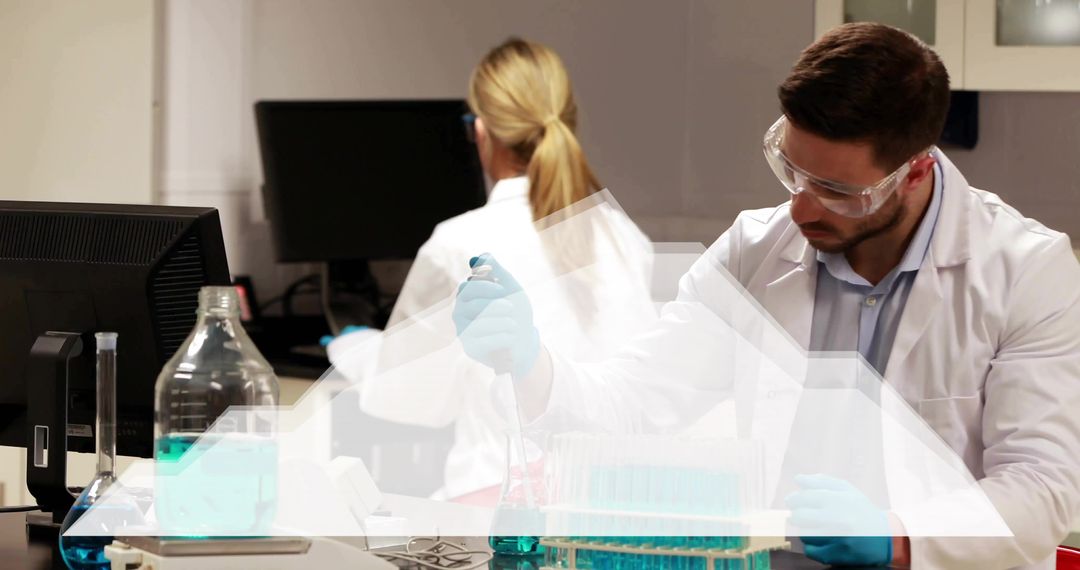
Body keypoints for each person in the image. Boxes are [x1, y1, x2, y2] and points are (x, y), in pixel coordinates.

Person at [453, 23, 1080, 568]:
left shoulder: (1026, 271)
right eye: (791, 170)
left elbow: (1043, 488)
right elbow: (636, 403)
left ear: (914, 170)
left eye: (835, 189)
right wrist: (530, 363)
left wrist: (898, 536)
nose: (800, 207)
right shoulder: (754, 252)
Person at [350, 37, 655, 503]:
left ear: (481, 132)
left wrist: (355, 350)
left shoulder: (460, 243)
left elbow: (403, 398)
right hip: (616, 502)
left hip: (503, 508)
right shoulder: (624, 237)